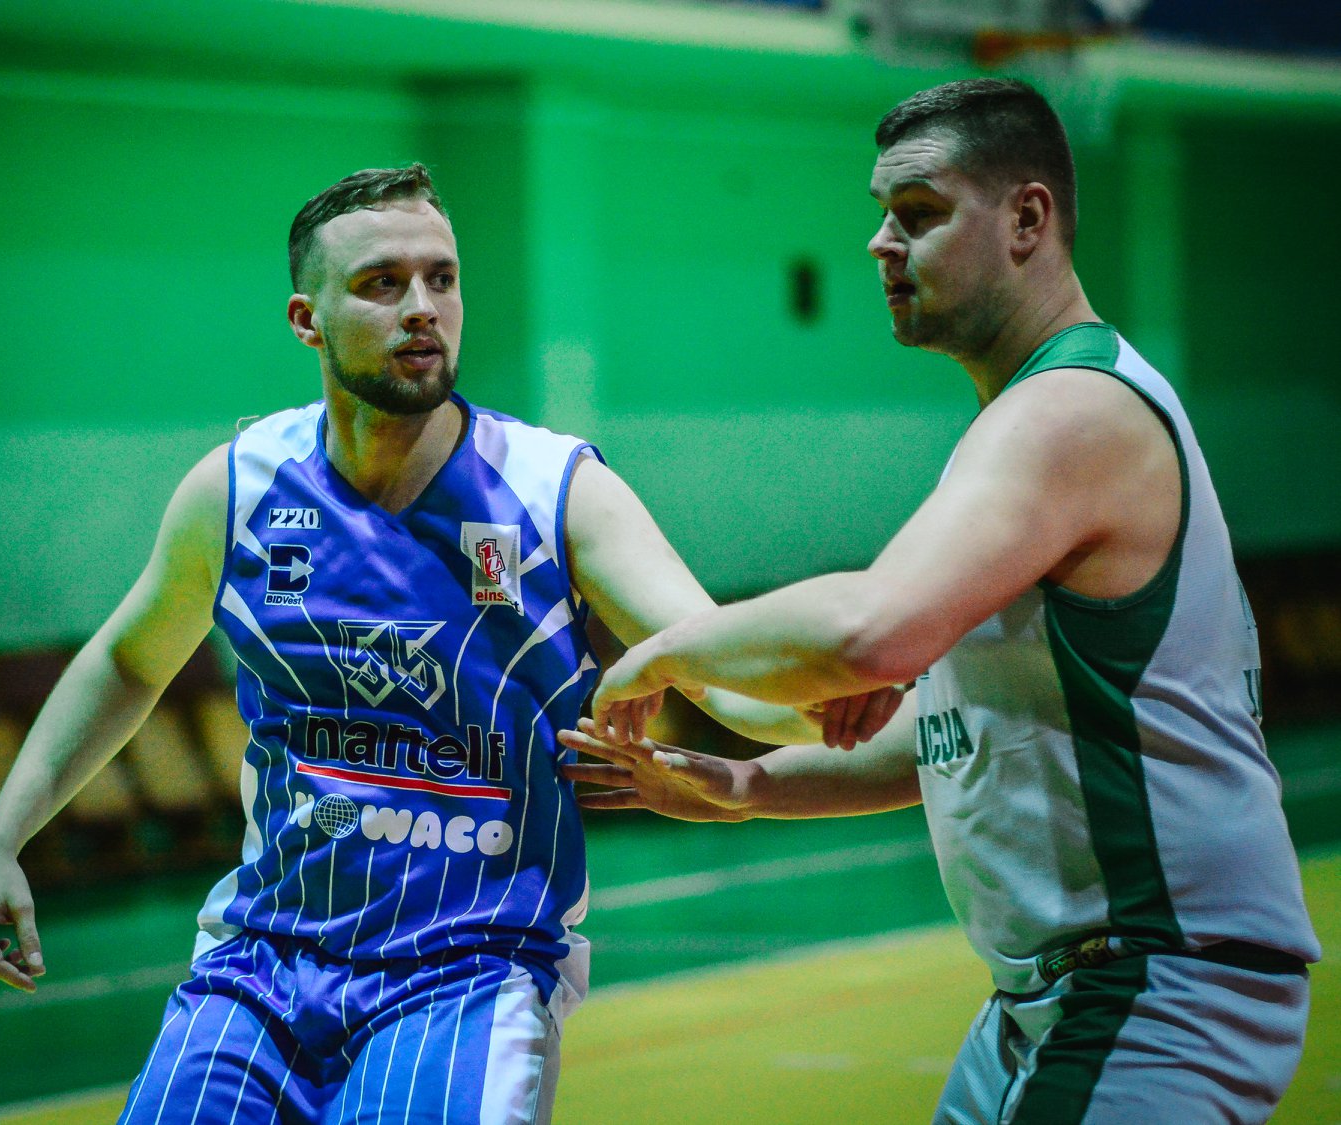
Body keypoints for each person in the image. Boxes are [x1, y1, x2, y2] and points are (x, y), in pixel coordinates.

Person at [0, 163, 899, 1124]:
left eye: (441, 278)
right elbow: (127, 662)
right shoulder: (237, 488)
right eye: (381, 283)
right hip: (262, 959)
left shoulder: (556, 488)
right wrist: (0, 841)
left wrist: (843, 704)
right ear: (307, 320)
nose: (421, 307)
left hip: (471, 967)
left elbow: (718, 674)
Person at [565, 79, 1320, 1125]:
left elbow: (869, 632)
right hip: (1056, 995)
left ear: (1026, 220)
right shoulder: (1028, 419)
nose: (880, 243)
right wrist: (747, 785)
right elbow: (955, 728)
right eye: (883, 213)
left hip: (1153, 982)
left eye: (918, 213)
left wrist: (664, 651)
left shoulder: (1072, 412)